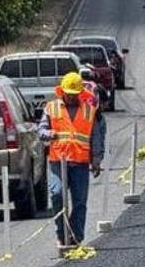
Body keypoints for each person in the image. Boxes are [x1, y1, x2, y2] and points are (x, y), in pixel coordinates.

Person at [38, 71, 106, 248]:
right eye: (69, 94)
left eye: (75, 94)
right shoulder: (51, 108)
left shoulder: (89, 110)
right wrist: (48, 134)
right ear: (62, 92)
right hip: (57, 161)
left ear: (80, 93)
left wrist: (96, 160)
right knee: (57, 194)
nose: (71, 97)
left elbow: (95, 137)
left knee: (79, 202)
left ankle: (76, 237)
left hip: (80, 163)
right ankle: (62, 235)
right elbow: (41, 130)